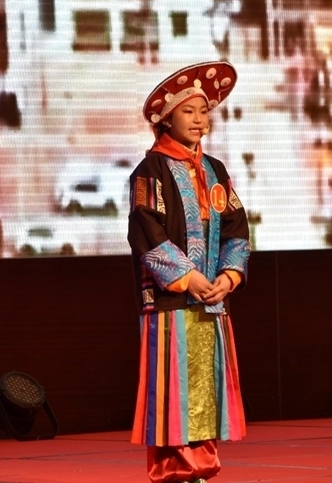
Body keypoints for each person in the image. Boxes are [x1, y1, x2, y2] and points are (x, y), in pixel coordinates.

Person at [128, 61, 250, 483]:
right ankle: (175, 470)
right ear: (166, 119)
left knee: (205, 386)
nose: (199, 120)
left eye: (204, 112)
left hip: (212, 299)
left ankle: (202, 466)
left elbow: (236, 227)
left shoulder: (215, 170)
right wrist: (188, 276)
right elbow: (146, 229)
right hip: (170, 300)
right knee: (173, 388)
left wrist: (228, 277)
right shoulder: (151, 170)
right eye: (188, 112)